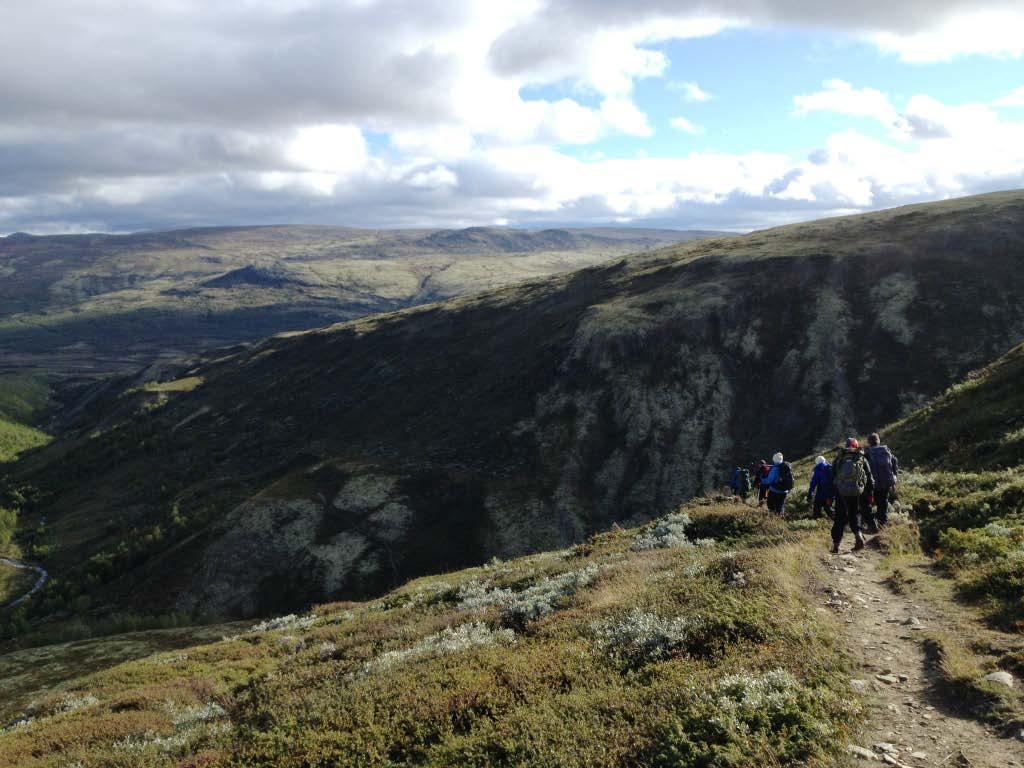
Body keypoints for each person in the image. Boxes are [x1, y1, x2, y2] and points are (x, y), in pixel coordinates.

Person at [831, 437, 874, 553]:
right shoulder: (861, 458)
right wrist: (869, 493)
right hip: (856, 492)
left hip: (841, 492)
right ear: (856, 446)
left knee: (839, 517)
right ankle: (858, 535)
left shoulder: (839, 458)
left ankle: (835, 545)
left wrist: (832, 494)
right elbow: (869, 478)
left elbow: (833, 476)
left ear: (846, 445)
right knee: (854, 514)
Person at [865, 432, 899, 528]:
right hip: (886, 481)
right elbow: (894, 462)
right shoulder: (886, 451)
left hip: (873, 483)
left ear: (869, 442)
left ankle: (872, 523)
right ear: (878, 441)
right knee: (883, 502)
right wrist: (893, 480)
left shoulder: (867, 453)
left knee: (870, 502)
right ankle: (882, 523)